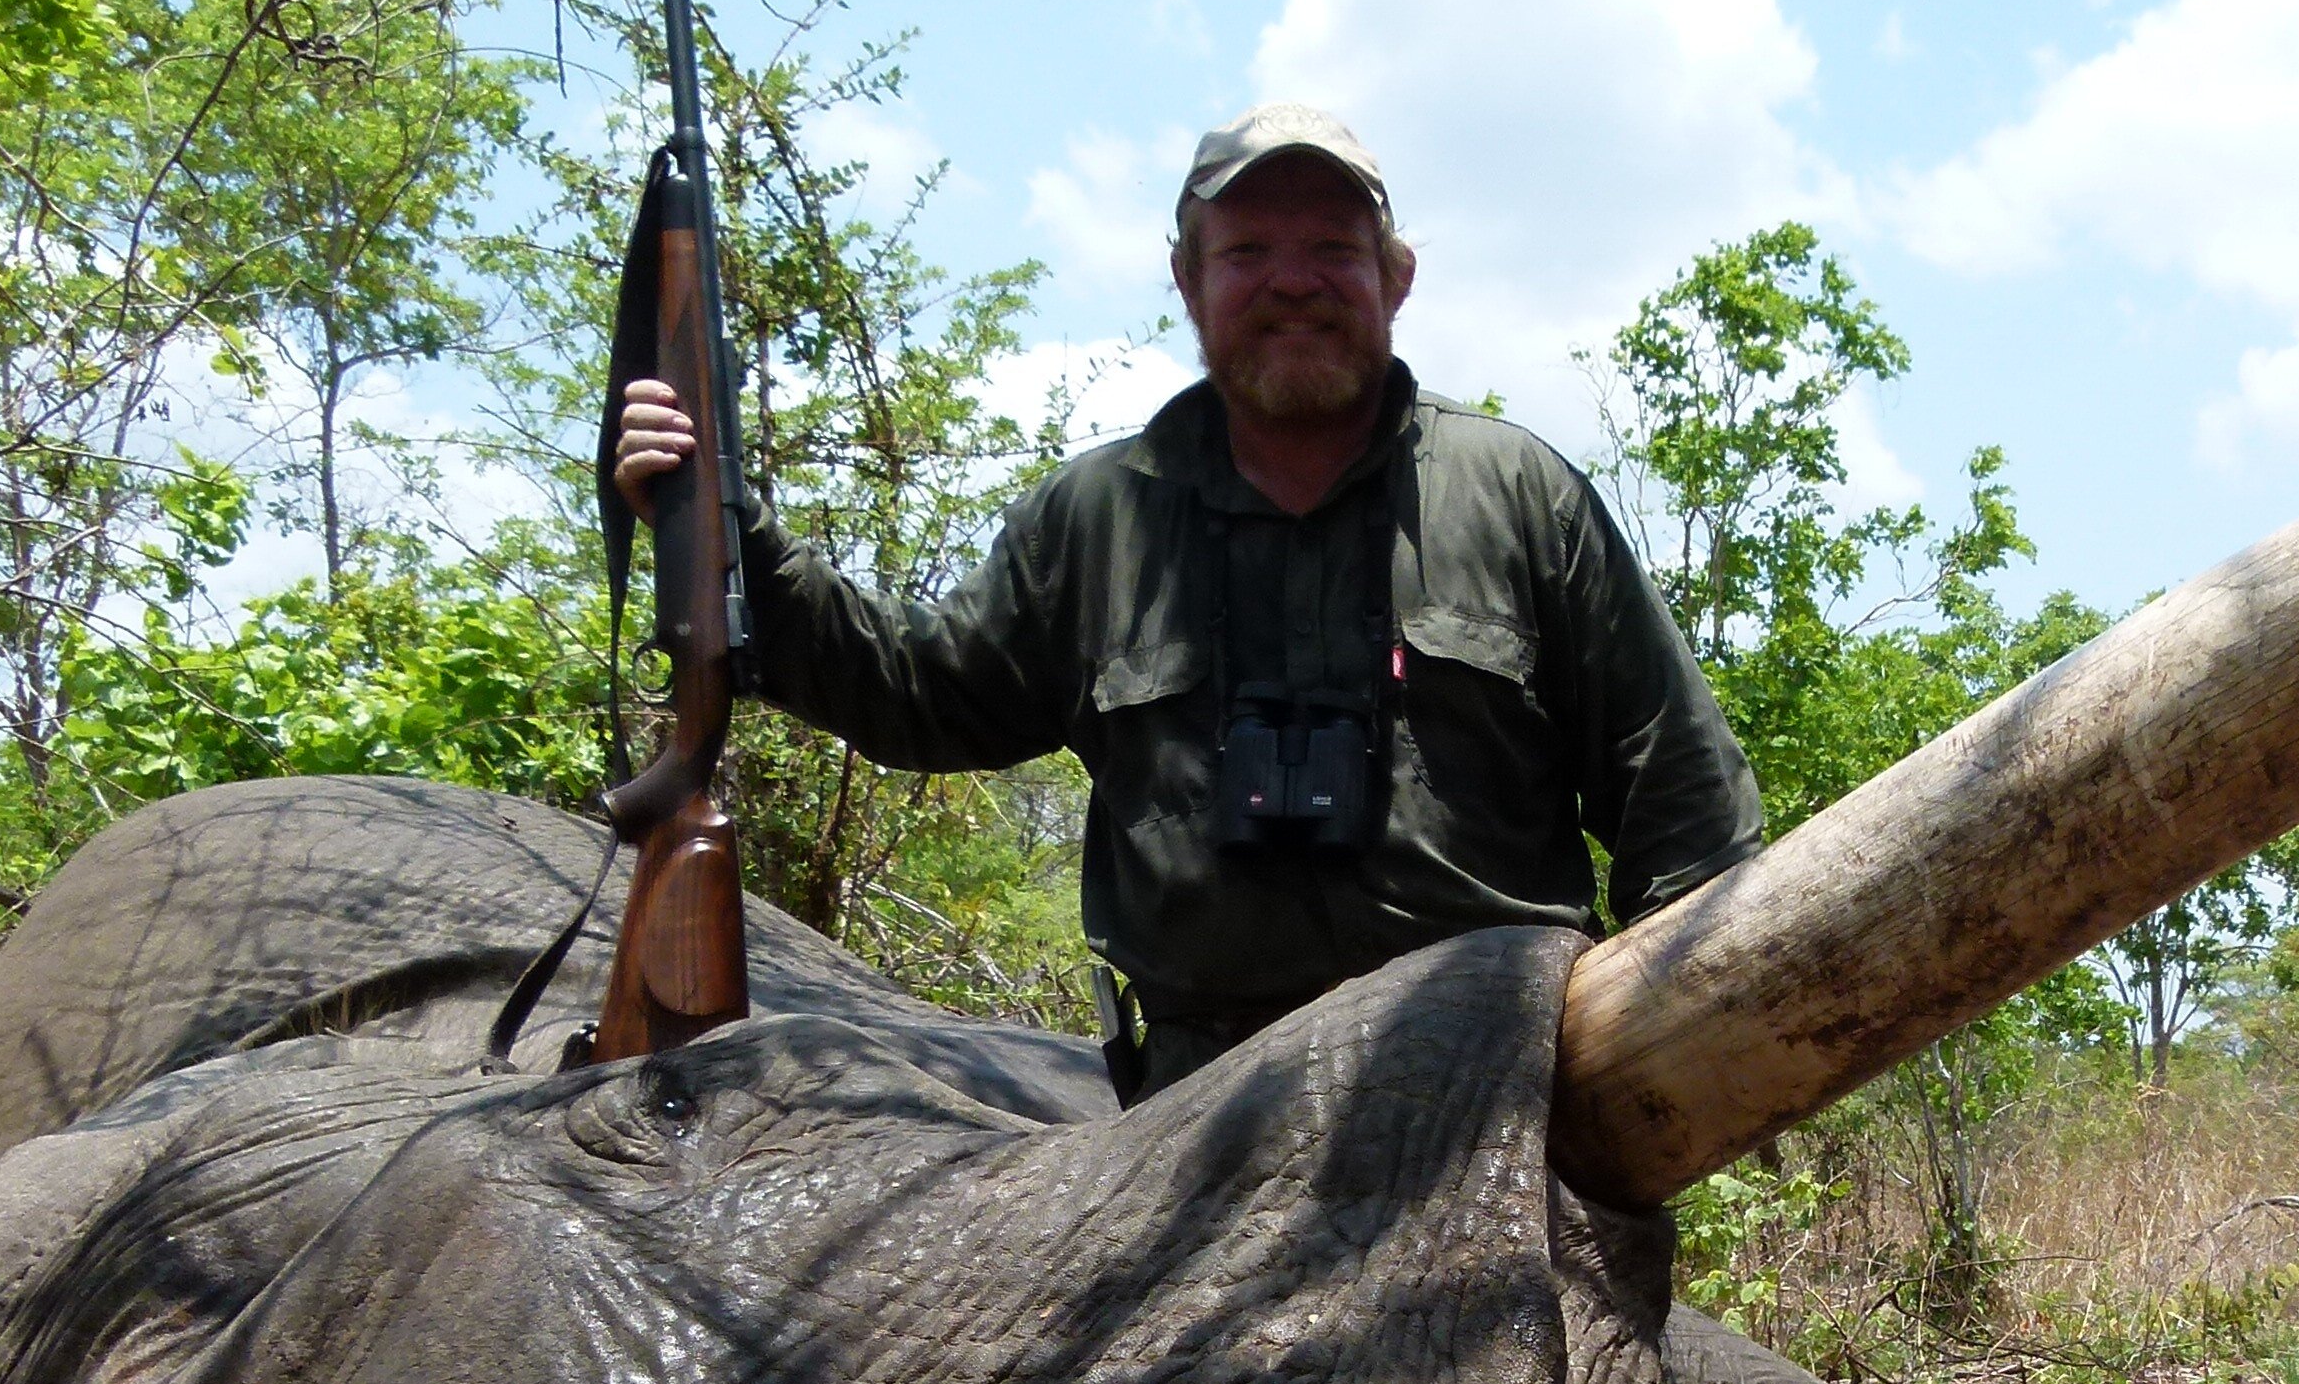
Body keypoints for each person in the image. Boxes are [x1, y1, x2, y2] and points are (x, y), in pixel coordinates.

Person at [608, 103, 1763, 1096]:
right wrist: (726, 536)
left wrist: (1677, 1066)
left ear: (1395, 277)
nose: (1294, 282)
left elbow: (1684, 805)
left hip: (1503, 1085)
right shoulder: (1096, 518)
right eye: (1249, 250)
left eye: (1332, 248)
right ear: (1187, 278)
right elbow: (920, 694)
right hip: (1194, 1117)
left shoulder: (1520, 495)